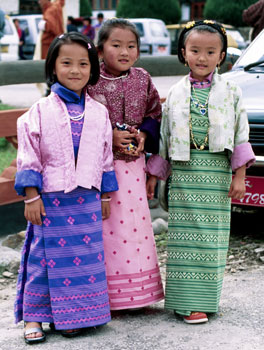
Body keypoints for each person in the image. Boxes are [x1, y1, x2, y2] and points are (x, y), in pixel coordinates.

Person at [14, 32, 118, 344]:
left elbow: (105, 157)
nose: (75, 70)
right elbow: (27, 153)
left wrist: (105, 194)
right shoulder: (39, 110)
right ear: (53, 67)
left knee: (83, 259)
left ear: (93, 69)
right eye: (67, 63)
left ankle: (73, 316)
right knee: (42, 259)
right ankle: (34, 317)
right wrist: (31, 196)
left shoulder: (99, 112)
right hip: (50, 199)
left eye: (83, 64)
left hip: (86, 199)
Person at [157, 20, 256, 324]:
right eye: (195, 50)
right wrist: (156, 176)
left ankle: (204, 300)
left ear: (222, 55)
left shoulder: (231, 91)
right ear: (183, 53)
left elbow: (241, 134)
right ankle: (184, 302)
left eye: (210, 51)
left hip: (216, 174)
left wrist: (239, 176)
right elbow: (164, 136)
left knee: (211, 240)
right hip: (184, 175)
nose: (202, 58)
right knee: (183, 241)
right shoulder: (174, 92)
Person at [88, 18, 168, 311]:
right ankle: (110, 295)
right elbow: (80, 120)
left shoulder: (143, 78)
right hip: (100, 169)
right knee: (107, 229)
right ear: (99, 50)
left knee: (135, 228)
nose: (125, 51)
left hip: (134, 169)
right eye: (116, 45)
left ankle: (140, 294)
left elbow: (155, 113)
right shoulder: (90, 80)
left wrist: (145, 134)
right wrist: (109, 134)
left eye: (131, 45)